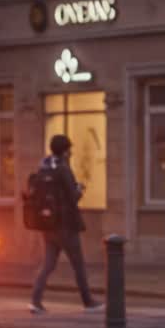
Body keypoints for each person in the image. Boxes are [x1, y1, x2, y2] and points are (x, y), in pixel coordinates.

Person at [31, 134, 102, 314]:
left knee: (48, 264)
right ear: (65, 151)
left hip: (48, 225)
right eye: (69, 149)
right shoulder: (63, 169)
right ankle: (88, 302)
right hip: (65, 225)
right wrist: (80, 189)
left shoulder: (44, 167)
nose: (71, 152)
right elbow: (73, 197)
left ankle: (35, 300)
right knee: (78, 264)